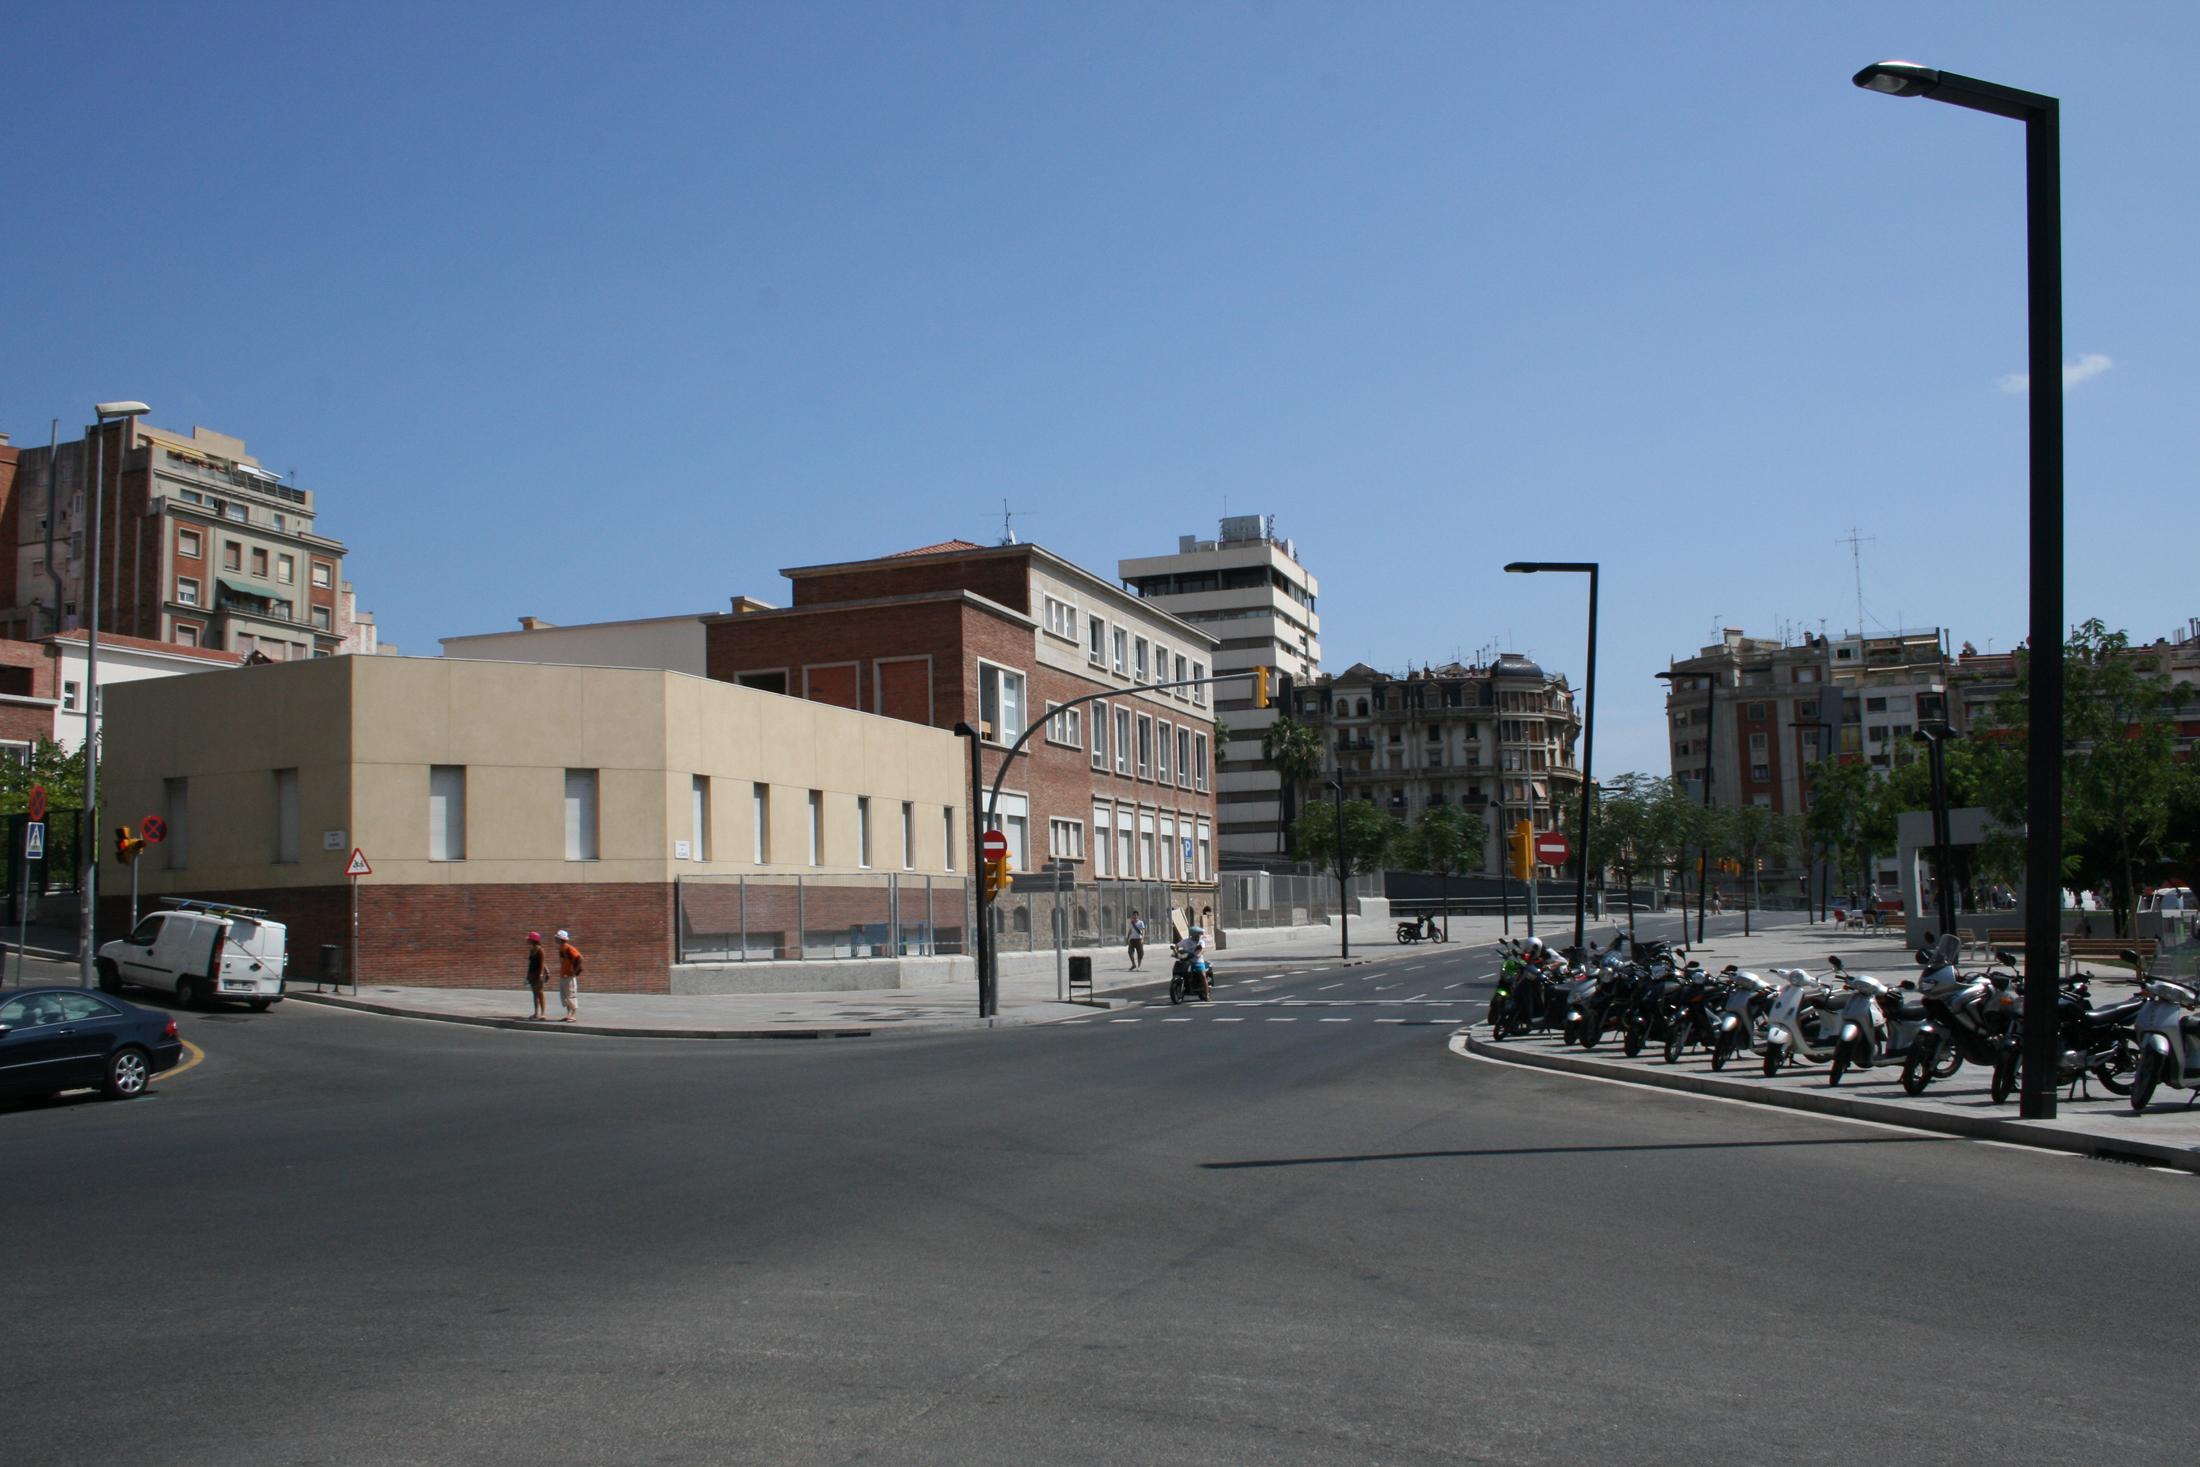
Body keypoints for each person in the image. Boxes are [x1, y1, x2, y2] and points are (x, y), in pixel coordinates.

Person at [1172, 924, 1213, 999]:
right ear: (1195, 934)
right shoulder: (1185, 941)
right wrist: (1175, 951)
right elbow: (1177, 945)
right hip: (1187, 960)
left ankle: (1207, 994)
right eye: (1198, 934)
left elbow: (1203, 949)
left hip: (1198, 961)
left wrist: (1199, 954)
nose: (1199, 936)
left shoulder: (1201, 941)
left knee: (1203, 975)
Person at [555, 929, 584, 1021]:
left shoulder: (569, 948)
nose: (555, 939)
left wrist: (574, 971)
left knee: (571, 996)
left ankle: (573, 1015)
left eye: (557, 937)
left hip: (569, 977)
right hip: (563, 976)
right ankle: (569, 1014)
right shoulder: (561, 949)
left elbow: (580, 958)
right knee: (565, 997)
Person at [524, 932, 548, 1020]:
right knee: (535, 994)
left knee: (540, 993)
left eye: (529, 939)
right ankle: (536, 1013)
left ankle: (543, 1013)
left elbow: (542, 963)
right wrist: (528, 975)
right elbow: (530, 964)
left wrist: (541, 975)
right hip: (532, 973)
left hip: (539, 973)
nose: (528, 940)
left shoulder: (540, 950)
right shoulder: (531, 951)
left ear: (533, 940)